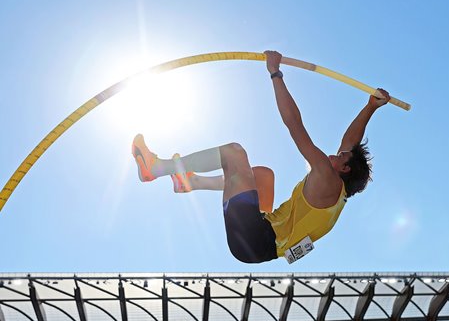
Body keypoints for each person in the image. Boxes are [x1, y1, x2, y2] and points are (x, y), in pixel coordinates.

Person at [132, 50, 391, 264]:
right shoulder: (337, 192)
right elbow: (352, 143)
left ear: (344, 169)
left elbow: (295, 126)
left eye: (340, 156)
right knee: (263, 176)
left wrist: (275, 74)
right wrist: (370, 107)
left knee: (234, 154)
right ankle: (190, 182)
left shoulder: (326, 176)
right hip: (264, 237)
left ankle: (155, 168)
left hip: (254, 238)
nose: (335, 153)